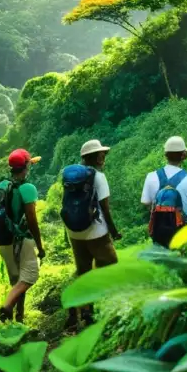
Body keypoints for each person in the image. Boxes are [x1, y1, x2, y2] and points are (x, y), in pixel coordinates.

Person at [63, 139, 122, 329]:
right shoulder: (98, 177)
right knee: (112, 265)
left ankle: (85, 309)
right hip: (96, 231)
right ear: (94, 157)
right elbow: (105, 208)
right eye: (101, 154)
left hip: (74, 232)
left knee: (84, 271)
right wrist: (113, 231)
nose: (103, 157)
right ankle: (112, 309)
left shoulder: (70, 176)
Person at [0, 149, 45, 323]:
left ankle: (18, 320)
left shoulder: (0, 186)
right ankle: (7, 306)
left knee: (16, 280)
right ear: (26, 167)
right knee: (30, 276)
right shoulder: (27, 188)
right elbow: (32, 219)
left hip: (3, 241)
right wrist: (40, 246)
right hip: (22, 239)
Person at [141, 136, 187, 248]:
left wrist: (164, 215)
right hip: (184, 240)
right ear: (184, 155)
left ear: (165, 155)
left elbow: (146, 203)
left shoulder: (151, 176)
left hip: (159, 238)